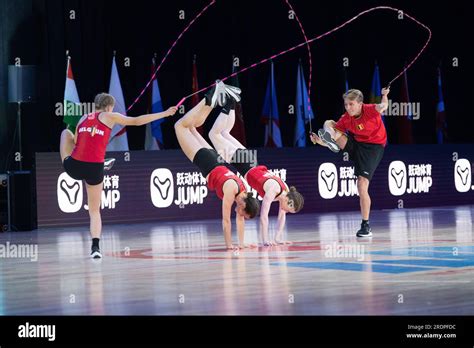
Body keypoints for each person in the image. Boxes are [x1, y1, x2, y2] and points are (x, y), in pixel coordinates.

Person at [60, 93, 177, 258]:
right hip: (95, 168)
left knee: (66, 134)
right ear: (109, 107)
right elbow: (136, 121)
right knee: (94, 211)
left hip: (74, 167)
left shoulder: (83, 118)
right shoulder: (110, 116)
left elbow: (77, 140)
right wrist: (164, 113)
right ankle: (95, 248)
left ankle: (80, 160)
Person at [206, 90, 304, 246]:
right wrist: (265, 240)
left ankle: (232, 101)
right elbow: (264, 216)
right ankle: (230, 103)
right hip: (243, 162)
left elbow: (281, 216)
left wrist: (278, 238)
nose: (285, 211)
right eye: (289, 209)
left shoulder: (284, 190)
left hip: (249, 160)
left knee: (224, 132)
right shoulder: (273, 191)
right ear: (289, 202)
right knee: (214, 134)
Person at [174, 81, 260, 250]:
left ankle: (218, 98)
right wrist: (230, 246)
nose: (241, 216)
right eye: (244, 213)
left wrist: (241, 244)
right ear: (244, 205)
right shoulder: (232, 191)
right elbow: (226, 221)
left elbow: (239, 220)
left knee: (192, 126)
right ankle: (210, 98)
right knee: (179, 126)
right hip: (206, 161)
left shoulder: (243, 191)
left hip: (213, 158)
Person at [310, 88, 389, 237]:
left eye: (351, 104)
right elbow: (335, 129)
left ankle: (365, 225)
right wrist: (320, 142)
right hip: (356, 144)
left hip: (373, 148)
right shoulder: (346, 118)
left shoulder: (370, 110)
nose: (348, 107)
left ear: (360, 104)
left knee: (361, 183)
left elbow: (384, 106)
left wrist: (384, 95)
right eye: (346, 104)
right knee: (329, 123)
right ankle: (330, 141)